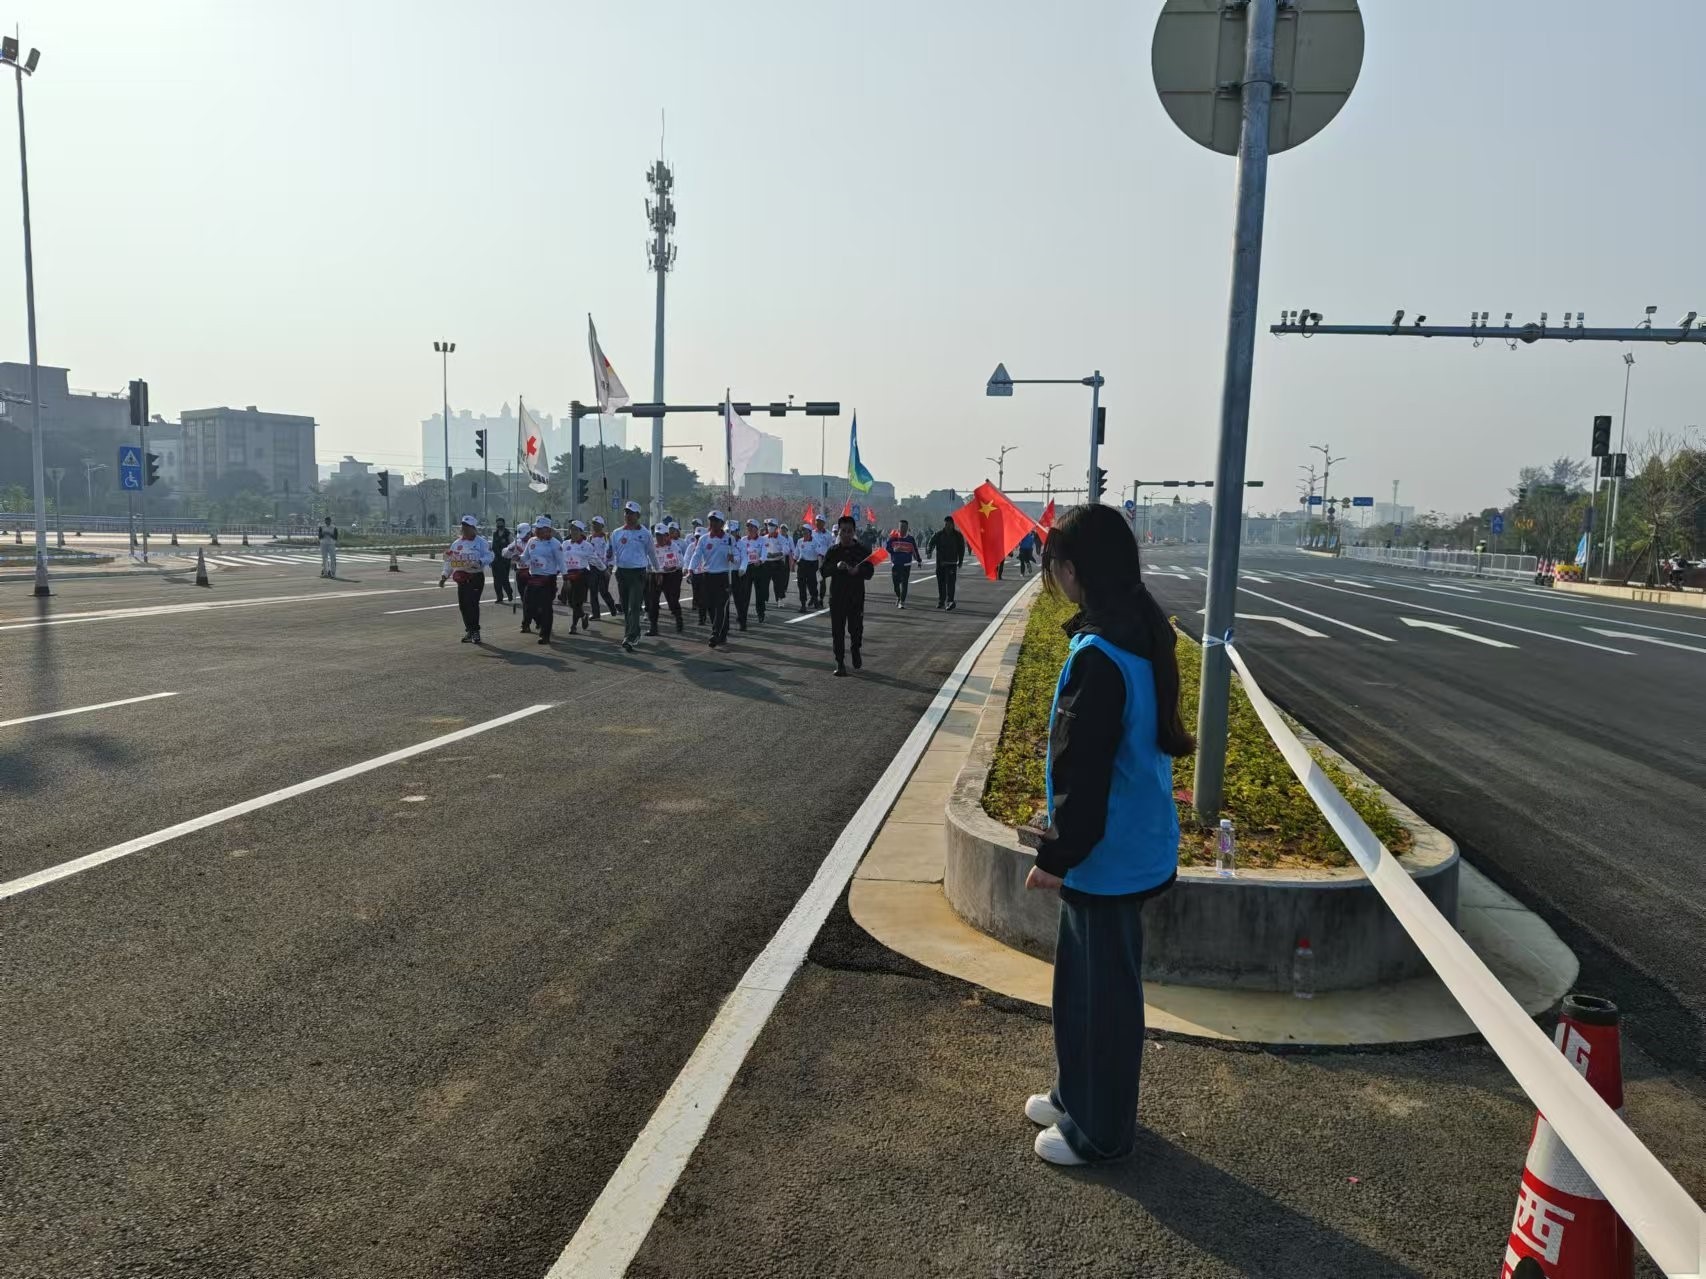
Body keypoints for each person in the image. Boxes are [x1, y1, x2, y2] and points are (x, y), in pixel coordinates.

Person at [1021, 502, 1194, 1168]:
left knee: (1103, 1001)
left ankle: (1100, 1131)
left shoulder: (1101, 654)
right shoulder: (1135, 630)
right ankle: (1076, 1095)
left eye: (1054, 567)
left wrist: (1057, 856)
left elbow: (1083, 771)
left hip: (1107, 854)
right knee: (1082, 987)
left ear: (1073, 570)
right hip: (1126, 845)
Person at [820, 514, 875, 676]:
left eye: (849, 531)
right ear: (838, 532)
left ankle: (855, 649)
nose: (845, 534)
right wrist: (836, 567)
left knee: (856, 629)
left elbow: (870, 572)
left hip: (855, 597)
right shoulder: (833, 551)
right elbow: (823, 571)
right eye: (842, 531)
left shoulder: (862, 550)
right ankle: (840, 663)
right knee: (837, 631)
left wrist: (858, 570)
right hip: (837, 598)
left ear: (854, 532)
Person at [609, 500, 662, 651]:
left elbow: (651, 553)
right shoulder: (617, 533)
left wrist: (657, 571)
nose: (628, 515)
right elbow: (610, 553)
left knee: (634, 606)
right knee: (626, 607)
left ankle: (630, 636)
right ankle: (633, 633)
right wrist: (608, 559)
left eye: (631, 513)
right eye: (626, 512)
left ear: (638, 515)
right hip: (622, 572)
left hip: (638, 573)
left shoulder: (645, 533)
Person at [687, 509, 744, 648]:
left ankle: (715, 633)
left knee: (720, 606)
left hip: (724, 576)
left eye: (716, 521)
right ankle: (721, 633)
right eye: (711, 521)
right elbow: (696, 555)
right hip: (707, 575)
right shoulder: (704, 539)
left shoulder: (729, 539)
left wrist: (733, 558)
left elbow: (738, 557)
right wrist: (690, 569)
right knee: (710, 606)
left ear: (722, 523)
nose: (712, 523)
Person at [439, 515, 493, 643]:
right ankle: (469, 630)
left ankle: (475, 632)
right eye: (463, 527)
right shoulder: (457, 544)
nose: (464, 530)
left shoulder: (481, 542)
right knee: (463, 606)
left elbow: (490, 556)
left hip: (475, 577)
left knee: (472, 604)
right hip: (461, 578)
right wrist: (444, 575)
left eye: (467, 527)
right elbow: (449, 561)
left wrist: (480, 562)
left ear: (474, 528)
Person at [514, 515, 567, 644]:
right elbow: (525, 557)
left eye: (540, 528)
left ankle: (545, 635)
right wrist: (518, 558)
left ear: (548, 529)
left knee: (546, 608)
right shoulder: (532, 541)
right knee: (528, 605)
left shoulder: (555, 544)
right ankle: (534, 622)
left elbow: (562, 562)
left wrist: (566, 579)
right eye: (536, 528)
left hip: (548, 579)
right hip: (533, 578)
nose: (536, 531)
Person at [646, 523, 686, 635]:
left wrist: (672, 567)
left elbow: (681, 562)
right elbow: (647, 561)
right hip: (655, 575)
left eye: (662, 535)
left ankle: (679, 619)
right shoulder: (652, 546)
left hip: (671, 575)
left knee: (672, 601)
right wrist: (653, 570)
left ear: (667, 535)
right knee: (653, 602)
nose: (659, 538)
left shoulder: (674, 546)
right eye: (657, 535)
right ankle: (653, 627)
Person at [734, 518, 766, 628]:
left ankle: (760, 613)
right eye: (748, 527)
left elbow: (764, 553)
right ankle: (742, 616)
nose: (749, 529)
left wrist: (760, 560)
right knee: (744, 594)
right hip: (746, 568)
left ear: (756, 529)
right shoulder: (743, 540)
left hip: (758, 568)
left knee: (760, 593)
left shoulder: (762, 540)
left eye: (751, 527)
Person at [585, 516, 617, 620]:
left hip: (605, 568)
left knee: (603, 591)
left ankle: (612, 606)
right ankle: (596, 614)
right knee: (593, 591)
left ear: (602, 526)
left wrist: (610, 567)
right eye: (593, 524)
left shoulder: (607, 537)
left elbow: (612, 553)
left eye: (597, 524)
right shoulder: (589, 538)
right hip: (593, 567)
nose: (594, 526)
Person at [563, 520, 592, 632]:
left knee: (577, 602)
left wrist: (604, 569)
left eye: (576, 530)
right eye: (571, 529)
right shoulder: (565, 544)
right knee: (570, 602)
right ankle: (583, 615)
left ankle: (573, 626)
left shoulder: (587, 545)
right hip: (569, 576)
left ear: (581, 531)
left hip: (582, 576)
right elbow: (560, 558)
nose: (573, 532)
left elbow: (594, 559)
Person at [886, 519, 920, 609]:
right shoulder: (893, 538)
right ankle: (898, 596)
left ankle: (902, 601)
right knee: (896, 584)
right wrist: (893, 550)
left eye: (904, 527)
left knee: (904, 583)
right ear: (898, 527)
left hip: (906, 565)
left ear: (907, 528)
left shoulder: (910, 539)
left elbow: (915, 550)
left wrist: (919, 560)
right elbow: (887, 547)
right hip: (896, 564)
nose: (902, 529)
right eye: (901, 527)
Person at [934, 515, 966, 610]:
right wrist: (929, 551)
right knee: (941, 583)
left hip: (951, 563)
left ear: (953, 525)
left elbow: (961, 549)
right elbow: (931, 543)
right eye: (946, 524)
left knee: (951, 583)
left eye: (949, 524)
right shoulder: (939, 534)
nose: (947, 526)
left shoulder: (958, 536)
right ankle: (941, 601)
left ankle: (950, 601)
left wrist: (961, 560)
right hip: (940, 563)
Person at [508, 522, 534, 631]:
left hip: (532, 573)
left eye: (525, 535)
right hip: (520, 572)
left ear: (529, 533)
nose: (523, 537)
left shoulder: (535, 542)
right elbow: (504, 552)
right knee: (524, 599)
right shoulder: (516, 542)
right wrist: (510, 552)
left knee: (531, 600)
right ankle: (528, 622)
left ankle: (528, 622)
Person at [794, 522, 822, 610]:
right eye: (803, 532)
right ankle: (803, 604)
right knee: (801, 585)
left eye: (806, 532)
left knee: (812, 584)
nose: (804, 533)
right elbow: (796, 554)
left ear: (810, 532)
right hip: (802, 564)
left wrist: (820, 566)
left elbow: (820, 554)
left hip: (812, 565)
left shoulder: (815, 542)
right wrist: (794, 563)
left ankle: (815, 599)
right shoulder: (800, 541)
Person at [487, 518, 513, 603]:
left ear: (504, 524)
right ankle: (499, 597)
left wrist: (512, 560)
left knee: (504, 579)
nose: (499, 525)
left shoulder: (508, 534)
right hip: (495, 560)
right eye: (497, 524)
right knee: (496, 580)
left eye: (500, 523)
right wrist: (490, 559)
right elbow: (492, 546)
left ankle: (509, 592)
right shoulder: (494, 534)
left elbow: (512, 546)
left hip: (505, 560)